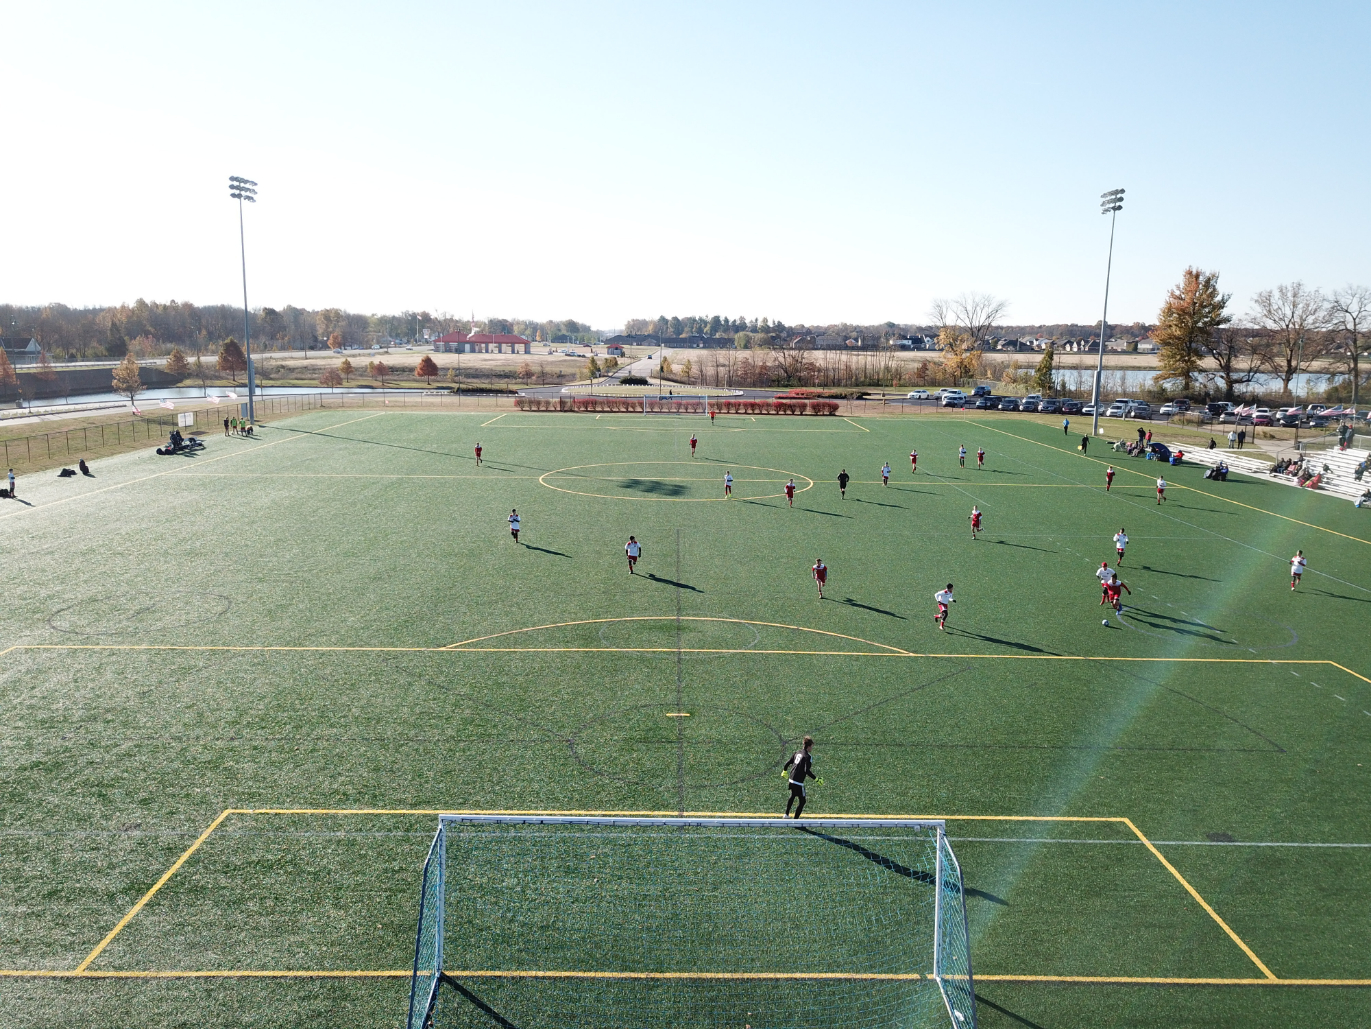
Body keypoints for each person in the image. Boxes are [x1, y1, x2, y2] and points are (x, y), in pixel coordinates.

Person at [783, 736, 816, 818]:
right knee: (802, 801)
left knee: (793, 795)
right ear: (808, 746)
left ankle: (786, 814)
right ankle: (796, 819)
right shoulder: (808, 757)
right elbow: (806, 770)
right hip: (798, 782)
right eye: (811, 746)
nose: (812, 748)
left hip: (791, 779)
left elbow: (788, 762)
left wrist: (784, 770)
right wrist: (816, 779)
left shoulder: (797, 752)